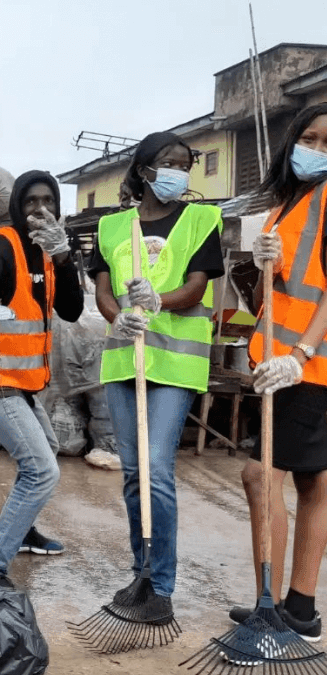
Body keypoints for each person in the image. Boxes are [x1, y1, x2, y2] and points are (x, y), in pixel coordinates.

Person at [90, 131, 224, 616]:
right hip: (125, 359)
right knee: (132, 474)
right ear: (144, 169)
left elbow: (196, 285)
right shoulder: (111, 228)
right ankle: (140, 572)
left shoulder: (200, 219)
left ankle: (161, 586)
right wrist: (115, 316)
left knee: (156, 469)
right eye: (169, 163)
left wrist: (159, 300)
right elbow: (104, 290)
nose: (178, 172)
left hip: (176, 363)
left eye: (185, 164)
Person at [230, 103, 327, 641]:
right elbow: (278, 294)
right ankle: (301, 609)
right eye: (309, 138)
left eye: (326, 143)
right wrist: (266, 261)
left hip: (308, 368)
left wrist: (300, 356)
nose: (315, 150)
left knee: (258, 476)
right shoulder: (288, 203)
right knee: (315, 481)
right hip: (288, 363)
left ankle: (276, 608)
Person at [0, 170, 83, 576]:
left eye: (48, 201)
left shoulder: (50, 252)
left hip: (25, 384)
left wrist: (64, 258)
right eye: (31, 202)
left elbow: (71, 310)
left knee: (44, 452)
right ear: (16, 206)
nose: (40, 209)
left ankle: (24, 532)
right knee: (41, 470)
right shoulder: (2, 245)